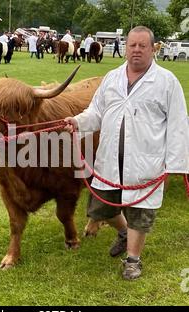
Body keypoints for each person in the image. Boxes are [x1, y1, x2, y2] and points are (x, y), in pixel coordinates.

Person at [64, 26, 189, 280]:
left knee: (139, 213)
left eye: (143, 46)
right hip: (110, 159)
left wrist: (175, 164)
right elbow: (96, 112)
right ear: (126, 47)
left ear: (153, 49)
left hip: (146, 161)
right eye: (132, 45)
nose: (136, 50)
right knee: (101, 208)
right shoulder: (112, 78)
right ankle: (122, 233)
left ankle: (133, 260)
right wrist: (77, 122)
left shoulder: (166, 82)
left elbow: (178, 124)